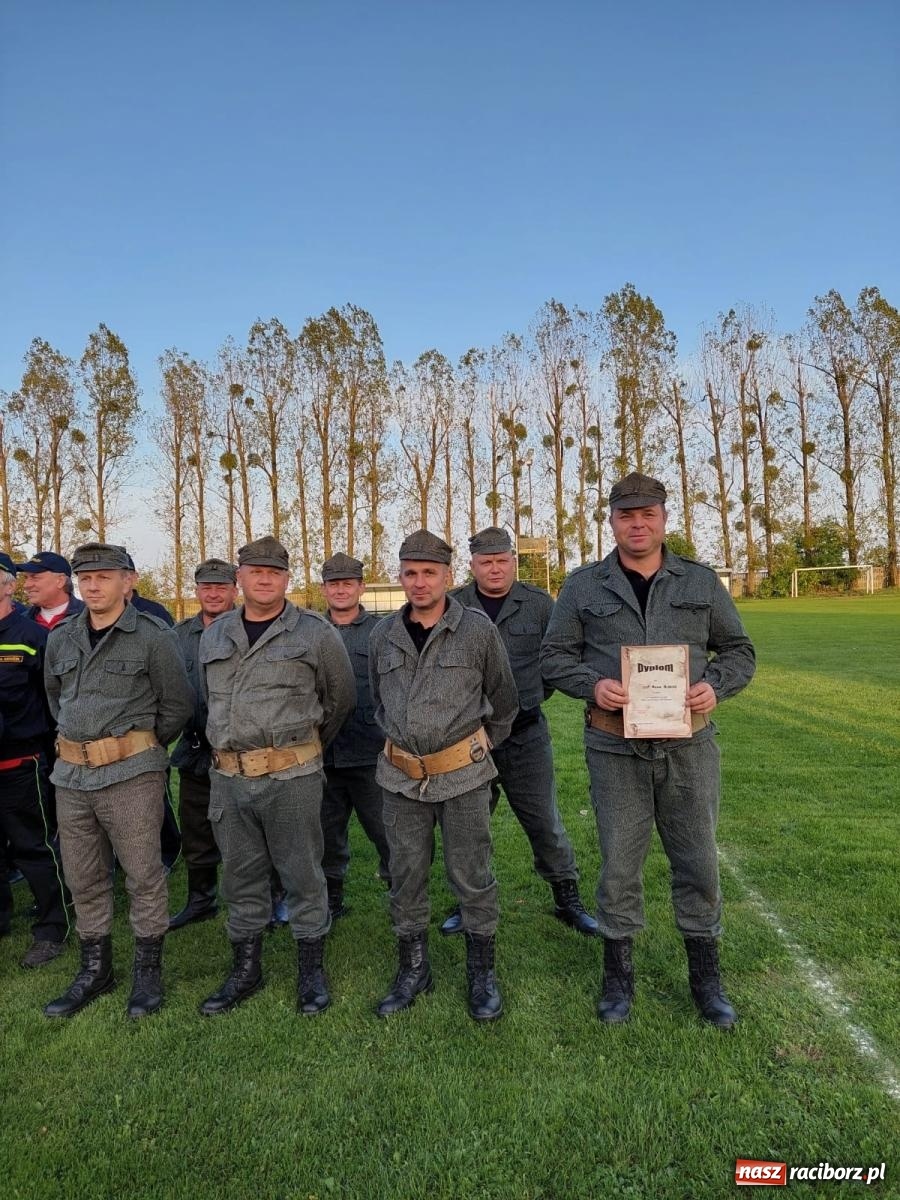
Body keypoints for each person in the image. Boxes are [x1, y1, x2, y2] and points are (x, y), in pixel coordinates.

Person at [540, 473, 756, 1028]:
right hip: (615, 749)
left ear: (664, 518)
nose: (638, 524)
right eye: (626, 515)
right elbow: (554, 657)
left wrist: (717, 685)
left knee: (698, 862)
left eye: (648, 514)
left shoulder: (702, 581)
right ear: (611, 521)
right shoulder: (584, 586)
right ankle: (618, 975)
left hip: (689, 748)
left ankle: (706, 976)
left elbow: (738, 650)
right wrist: (593, 686)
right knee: (619, 864)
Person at [198, 536, 355, 1017]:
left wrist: (298, 751)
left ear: (287, 579)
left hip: (292, 778)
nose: (264, 579)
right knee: (240, 876)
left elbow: (340, 700)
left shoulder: (315, 633)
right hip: (229, 778)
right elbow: (208, 699)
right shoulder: (215, 635)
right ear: (239, 577)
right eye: (254, 571)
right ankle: (246, 968)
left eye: (274, 572)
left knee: (303, 874)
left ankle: (311, 970)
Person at [369, 530, 518, 1021]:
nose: (419, 582)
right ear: (400, 577)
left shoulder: (476, 630)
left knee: (471, 875)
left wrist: (475, 747)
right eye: (410, 573)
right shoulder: (382, 635)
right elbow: (377, 700)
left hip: (463, 778)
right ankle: (413, 968)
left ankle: (482, 973)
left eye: (429, 572)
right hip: (401, 779)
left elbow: (504, 699)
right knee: (405, 874)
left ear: (449, 577)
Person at [42, 542, 193, 1019]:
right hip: (71, 775)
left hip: (131, 775)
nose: (93, 585)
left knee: (143, 875)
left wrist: (138, 748)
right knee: (83, 876)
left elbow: (177, 705)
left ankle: (147, 973)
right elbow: (55, 699)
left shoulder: (152, 636)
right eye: (85, 578)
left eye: (104, 577)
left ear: (128, 581)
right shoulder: (63, 637)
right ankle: (95, 968)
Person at [444, 526, 598, 938]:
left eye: (501, 560)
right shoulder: (453, 606)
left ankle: (567, 899)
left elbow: (556, 659)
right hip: (470, 738)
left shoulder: (538, 605)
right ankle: (467, 903)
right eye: (485, 562)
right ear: (472, 566)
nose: (494, 569)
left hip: (525, 733)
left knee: (544, 822)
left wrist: (528, 697)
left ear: (514, 560)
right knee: (469, 827)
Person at [0, 561, 69, 966]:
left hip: (20, 764)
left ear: (7, 588)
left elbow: (53, 701)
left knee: (33, 847)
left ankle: (51, 927)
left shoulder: (32, 637)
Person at [320, 553, 392, 918]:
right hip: (323, 754)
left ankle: (403, 899)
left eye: (348, 583)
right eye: (334, 583)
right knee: (326, 837)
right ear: (324, 589)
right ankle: (332, 901)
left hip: (371, 753)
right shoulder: (311, 631)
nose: (341, 590)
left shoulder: (383, 631)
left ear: (361, 587)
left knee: (388, 833)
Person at [168, 559, 238, 930]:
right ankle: (201, 900)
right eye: (206, 586)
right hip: (195, 750)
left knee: (252, 830)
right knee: (196, 829)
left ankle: (270, 898)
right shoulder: (178, 636)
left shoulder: (249, 629)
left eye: (221, 586)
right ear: (196, 590)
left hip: (242, 752)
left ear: (234, 590)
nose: (213, 593)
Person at [18, 550, 85, 629]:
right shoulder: (19, 622)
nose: (26, 585)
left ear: (60, 581)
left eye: (35, 577)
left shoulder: (90, 616)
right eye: (26, 578)